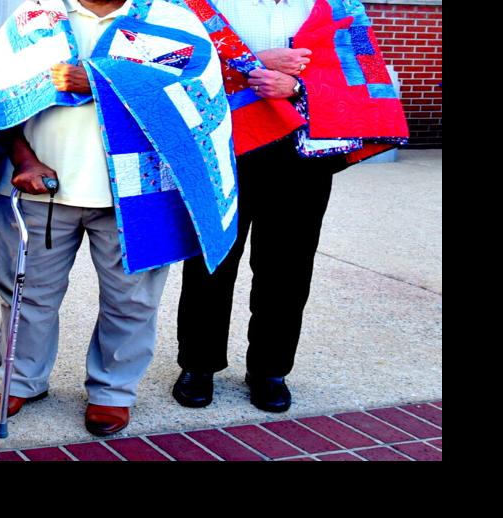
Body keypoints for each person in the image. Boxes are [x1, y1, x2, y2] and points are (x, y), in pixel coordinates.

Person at [0, 0, 233, 437]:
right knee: (26, 294)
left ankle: (112, 392)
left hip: (139, 192)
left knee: (132, 301)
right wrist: (23, 159)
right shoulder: (36, 16)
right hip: (39, 182)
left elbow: (194, 94)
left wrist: (100, 79)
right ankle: (21, 379)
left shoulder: (167, 19)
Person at [173, 0, 406, 413]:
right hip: (224, 148)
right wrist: (254, 62)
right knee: (212, 262)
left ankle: (270, 369)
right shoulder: (202, 5)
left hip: (302, 155)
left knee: (288, 266)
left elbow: (368, 76)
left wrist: (299, 88)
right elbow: (170, 61)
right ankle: (198, 365)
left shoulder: (339, 8)